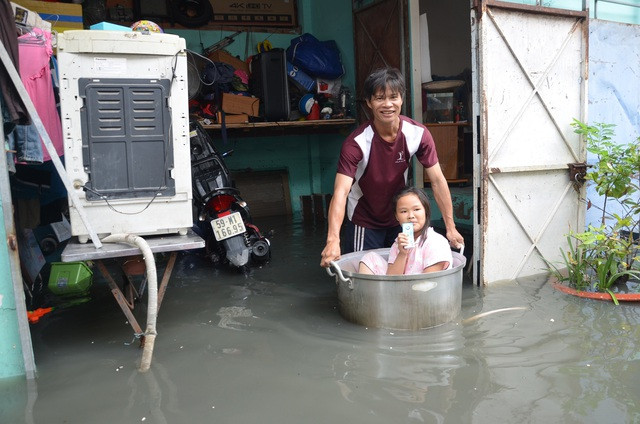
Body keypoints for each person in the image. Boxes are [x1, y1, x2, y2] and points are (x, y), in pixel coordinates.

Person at [320, 67, 463, 268]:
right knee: (364, 276)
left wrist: (451, 226)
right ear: (369, 102)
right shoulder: (356, 143)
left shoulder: (418, 134)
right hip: (365, 218)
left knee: (405, 270)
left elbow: (438, 180)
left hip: (401, 218)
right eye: (379, 98)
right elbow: (341, 192)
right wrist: (333, 240)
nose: (388, 104)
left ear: (401, 99)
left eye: (393, 97)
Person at [358, 187, 452, 275]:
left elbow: (427, 283)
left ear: (426, 212)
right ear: (396, 216)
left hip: (422, 290)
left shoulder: (436, 242)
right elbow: (391, 279)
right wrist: (402, 253)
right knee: (370, 257)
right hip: (397, 289)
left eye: (416, 209)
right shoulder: (398, 243)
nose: (411, 216)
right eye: (404, 211)